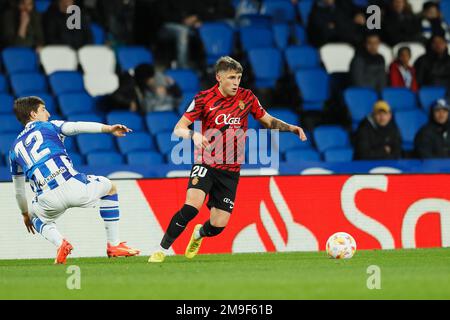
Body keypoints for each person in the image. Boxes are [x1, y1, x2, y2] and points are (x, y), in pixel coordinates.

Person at [148, 56, 307, 263]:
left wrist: (292, 128)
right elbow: (179, 128)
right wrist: (194, 135)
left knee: (218, 225)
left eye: (239, 77)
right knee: (191, 207)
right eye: (231, 77)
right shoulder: (203, 98)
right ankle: (161, 250)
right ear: (219, 77)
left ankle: (198, 235)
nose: (236, 82)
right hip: (205, 162)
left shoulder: (247, 97)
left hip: (231, 170)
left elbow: (268, 121)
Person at [9, 96, 140, 264]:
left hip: (47, 198)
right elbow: (78, 126)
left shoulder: (14, 150)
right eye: (43, 110)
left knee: (35, 217)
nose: (48, 114)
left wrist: (25, 214)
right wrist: (109, 129)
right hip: (74, 186)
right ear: (33, 114)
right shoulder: (50, 126)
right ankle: (114, 245)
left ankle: (61, 243)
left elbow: (19, 191)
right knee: (110, 187)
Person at [108, 63, 182, 113]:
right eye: (151, 78)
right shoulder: (130, 84)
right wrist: (129, 104)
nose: (153, 80)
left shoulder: (149, 85)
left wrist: (173, 85)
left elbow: (177, 99)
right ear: (145, 79)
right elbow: (116, 96)